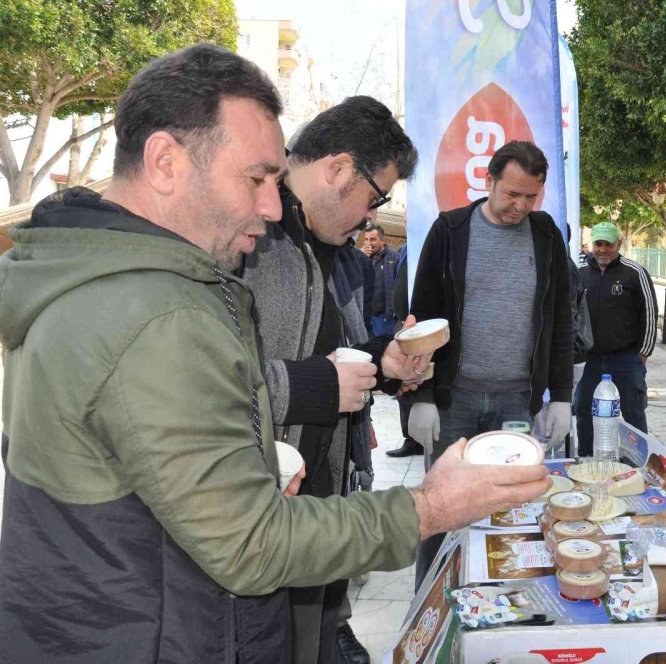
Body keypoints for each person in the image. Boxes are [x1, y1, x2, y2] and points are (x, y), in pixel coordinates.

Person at [0, 44, 551, 663]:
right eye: (256, 178)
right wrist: (430, 506)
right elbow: (252, 543)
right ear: (164, 162)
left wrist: (374, 370)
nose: (270, 205)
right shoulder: (157, 312)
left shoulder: (117, 280)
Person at [241, 96, 415, 664]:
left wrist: (384, 362)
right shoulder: (246, 238)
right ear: (339, 169)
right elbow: (198, 386)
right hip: (253, 519)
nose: (372, 216)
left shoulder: (331, 251)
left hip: (317, 513)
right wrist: (320, 385)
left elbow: (332, 356)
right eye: (377, 196)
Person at [408, 140, 574, 587]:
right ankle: (431, 601)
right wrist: (421, 397)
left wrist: (560, 397)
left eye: (530, 197)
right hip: (454, 399)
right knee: (442, 511)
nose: (520, 206)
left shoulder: (546, 236)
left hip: (517, 402)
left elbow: (559, 319)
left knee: (512, 509)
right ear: (489, 182)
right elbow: (421, 319)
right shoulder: (450, 230)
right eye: (511, 194)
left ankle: (502, 602)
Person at [575, 221, 658, 456]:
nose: (602, 250)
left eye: (608, 245)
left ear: (618, 244)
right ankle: (587, 459)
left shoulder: (634, 272)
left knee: (633, 412)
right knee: (583, 410)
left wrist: (644, 352)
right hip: (589, 361)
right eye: (598, 244)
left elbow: (649, 313)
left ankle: (638, 460)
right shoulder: (580, 274)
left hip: (626, 359)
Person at [386, 214, 425, 459]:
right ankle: (410, 438)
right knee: (403, 385)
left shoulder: (425, 245)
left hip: (420, 329)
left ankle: (420, 438)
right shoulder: (405, 249)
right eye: (406, 215)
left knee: (418, 381)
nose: (407, 219)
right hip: (402, 328)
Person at [361, 223, 402, 338]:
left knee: (382, 351)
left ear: (382, 241)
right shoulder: (359, 256)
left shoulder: (395, 258)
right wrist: (361, 258)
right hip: (365, 316)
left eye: (372, 239)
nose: (368, 243)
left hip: (384, 318)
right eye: (366, 239)